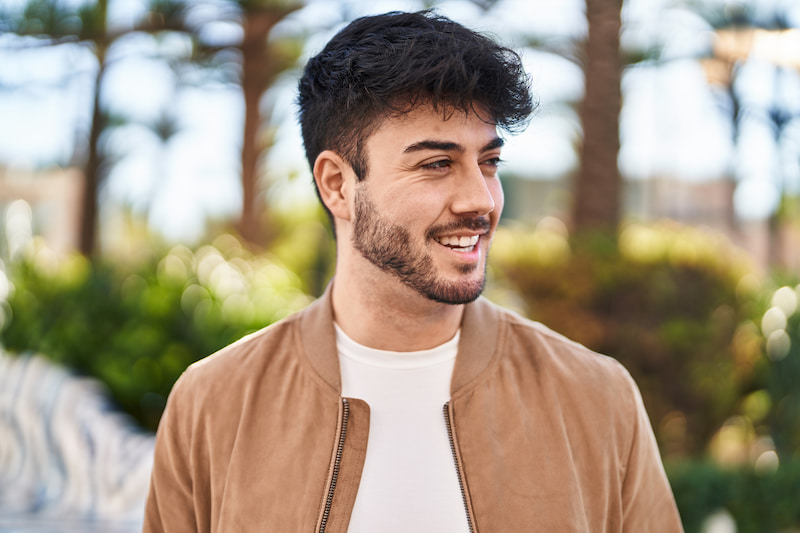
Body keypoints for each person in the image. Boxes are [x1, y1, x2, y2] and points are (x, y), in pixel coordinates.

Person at [144, 10, 683, 533]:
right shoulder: (213, 404)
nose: (482, 200)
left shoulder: (596, 397)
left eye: (489, 162)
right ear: (337, 185)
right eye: (436, 164)